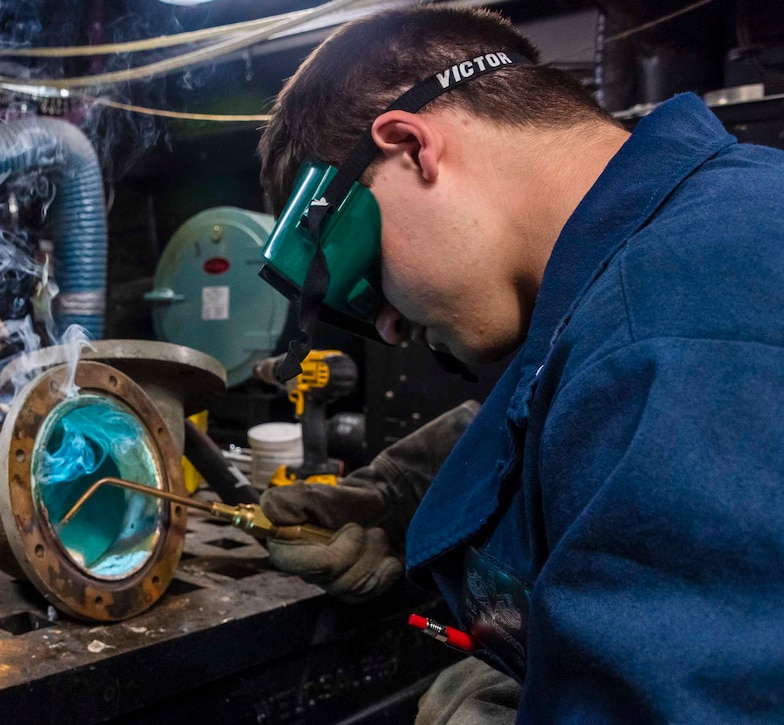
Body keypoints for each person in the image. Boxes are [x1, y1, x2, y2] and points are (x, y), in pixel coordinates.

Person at [256, 5, 784, 723]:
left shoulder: (673, 329)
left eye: (362, 273)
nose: (387, 321)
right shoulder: (702, 237)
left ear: (412, 146)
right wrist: (410, 494)